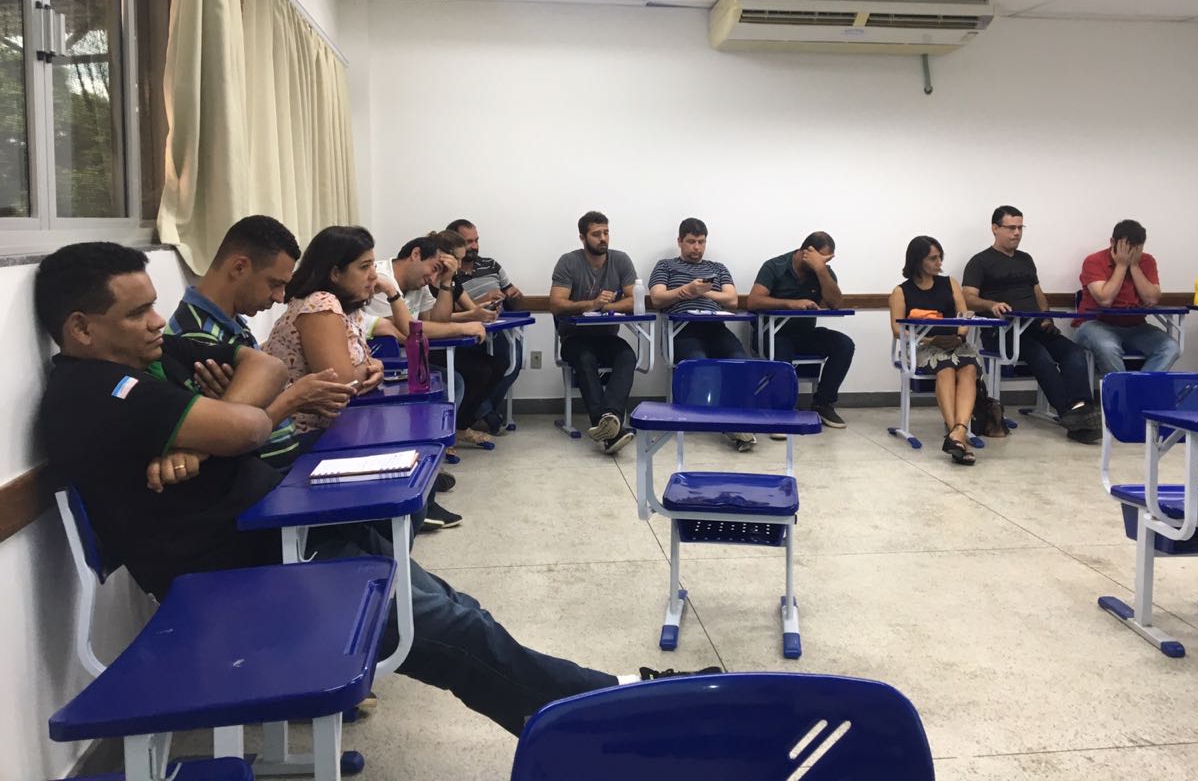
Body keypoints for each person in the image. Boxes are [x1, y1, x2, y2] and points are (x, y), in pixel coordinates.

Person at [36, 242, 717, 738]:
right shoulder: (98, 393)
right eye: (137, 314)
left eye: (154, 308)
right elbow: (257, 413)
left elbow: (260, 367)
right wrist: (237, 424)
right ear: (81, 329)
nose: (158, 322)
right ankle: (611, 716)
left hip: (282, 533)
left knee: (458, 609)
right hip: (239, 574)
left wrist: (207, 433)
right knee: (455, 631)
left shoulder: (154, 357)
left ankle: (608, 699)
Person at [165, 215, 355, 469]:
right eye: (274, 284)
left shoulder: (230, 322)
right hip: (258, 479)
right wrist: (294, 399)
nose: (279, 297)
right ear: (239, 267)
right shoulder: (198, 339)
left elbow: (250, 411)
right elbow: (228, 434)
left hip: (284, 466)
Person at [962, 205, 1100, 443]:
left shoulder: (1026, 260)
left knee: (1074, 352)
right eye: (1011, 228)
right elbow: (967, 297)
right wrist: (991, 304)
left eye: (1020, 227)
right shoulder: (979, 262)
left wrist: (1046, 316)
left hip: (1035, 326)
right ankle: (1068, 414)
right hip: (1004, 332)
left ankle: (1082, 409)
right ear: (995, 228)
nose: (1016, 233)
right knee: (1040, 356)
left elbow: (1038, 293)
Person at [363, 233, 499, 446]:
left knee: (464, 377)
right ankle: (429, 444)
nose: (433, 278)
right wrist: (463, 327)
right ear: (416, 255)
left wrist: (446, 282)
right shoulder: (380, 279)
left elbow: (437, 320)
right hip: (382, 363)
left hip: (408, 360)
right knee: (454, 381)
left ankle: (438, 442)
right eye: (435, 269)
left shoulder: (420, 284)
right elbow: (408, 330)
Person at [649, 217, 754, 452]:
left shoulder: (718, 268)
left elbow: (732, 300)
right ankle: (723, 422)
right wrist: (687, 290)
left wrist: (704, 293)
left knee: (740, 362)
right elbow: (657, 298)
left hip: (716, 327)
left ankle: (736, 423)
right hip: (682, 329)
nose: (696, 247)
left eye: (701, 242)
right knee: (701, 364)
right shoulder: (665, 266)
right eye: (691, 242)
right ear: (679, 241)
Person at [549, 211, 638, 454]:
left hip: (607, 337)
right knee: (585, 358)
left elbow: (634, 300)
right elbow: (556, 304)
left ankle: (608, 419)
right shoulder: (568, 262)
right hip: (573, 338)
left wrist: (606, 307)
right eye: (596, 234)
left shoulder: (621, 260)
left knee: (627, 356)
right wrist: (591, 304)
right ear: (583, 237)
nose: (603, 238)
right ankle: (608, 426)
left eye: (606, 233)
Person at [888, 236, 982, 465]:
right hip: (924, 346)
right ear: (918, 260)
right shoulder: (901, 291)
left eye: (940, 257)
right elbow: (898, 330)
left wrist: (959, 336)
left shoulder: (950, 283)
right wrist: (931, 339)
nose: (939, 263)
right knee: (946, 369)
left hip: (956, 342)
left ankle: (957, 433)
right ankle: (956, 432)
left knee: (969, 368)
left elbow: (963, 317)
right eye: (933, 258)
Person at [745, 231, 854, 429]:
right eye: (820, 259)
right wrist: (790, 303)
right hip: (773, 334)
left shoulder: (823, 272)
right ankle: (781, 409)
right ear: (806, 252)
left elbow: (836, 304)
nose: (823, 263)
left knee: (844, 344)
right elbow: (753, 301)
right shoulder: (775, 266)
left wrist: (821, 270)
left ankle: (823, 403)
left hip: (804, 334)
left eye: (826, 260)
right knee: (782, 349)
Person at [1073, 219, 1180, 378]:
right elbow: (1105, 300)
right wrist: (1122, 265)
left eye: (1137, 250)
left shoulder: (1147, 261)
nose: (1131, 255)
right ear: (1112, 242)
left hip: (1136, 327)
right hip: (1095, 324)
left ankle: (1137, 390)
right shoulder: (1094, 261)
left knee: (1170, 347)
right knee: (1108, 347)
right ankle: (1122, 392)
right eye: (1127, 248)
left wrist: (1134, 266)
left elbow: (1152, 299)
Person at [448, 218, 525, 433]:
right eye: (468, 242)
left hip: (497, 328)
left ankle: (481, 412)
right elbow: (445, 311)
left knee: (512, 360)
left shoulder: (491, 265)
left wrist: (515, 295)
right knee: (478, 369)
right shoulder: (448, 273)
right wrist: (483, 301)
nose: (474, 246)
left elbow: (516, 303)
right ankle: (485, 415)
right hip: (464, 333)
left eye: (476, 240)